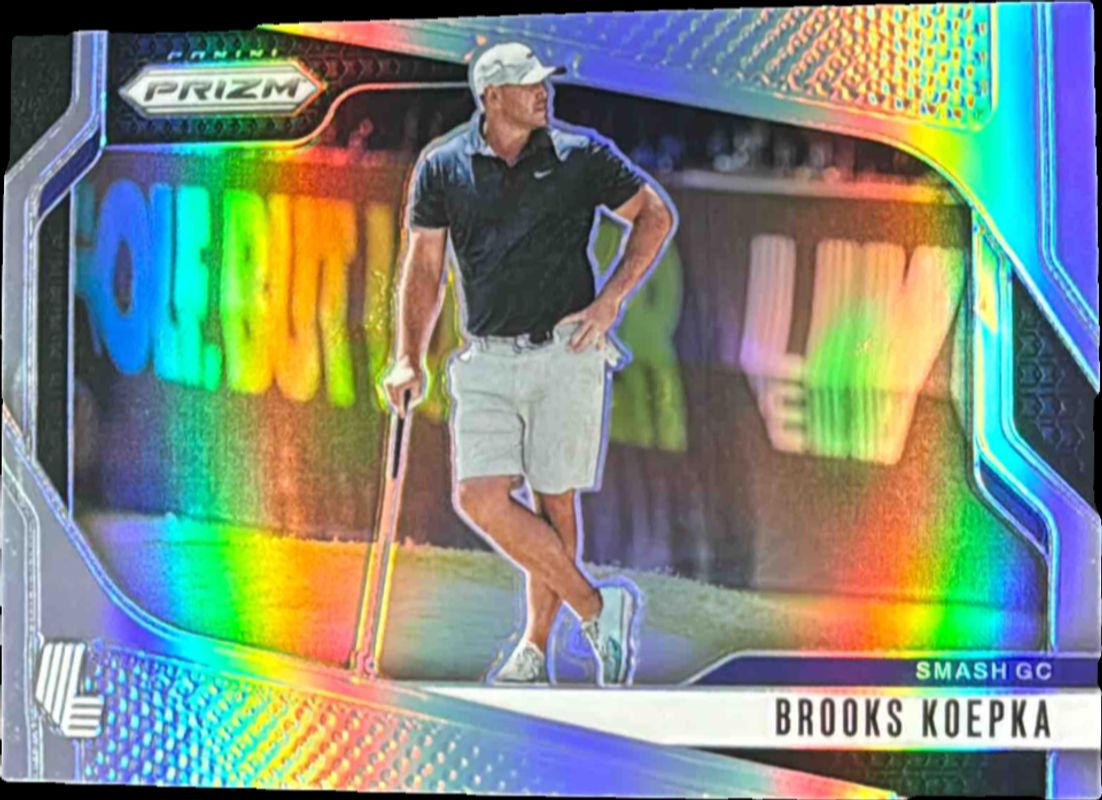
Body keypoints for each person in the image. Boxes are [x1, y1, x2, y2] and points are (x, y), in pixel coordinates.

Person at [381, 42, 676, 686]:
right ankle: (598, 608)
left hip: (565, 351)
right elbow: (424, 267)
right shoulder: (442, 166)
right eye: (527, 84)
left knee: (553, 499)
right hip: (486, 357)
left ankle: (535, 651)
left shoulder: (580, 155)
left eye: (544, 82)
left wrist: (610, 300)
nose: (543, 92)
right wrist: (408, 357)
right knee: (478, 497)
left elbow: (654, 215)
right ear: (491, 97)